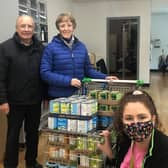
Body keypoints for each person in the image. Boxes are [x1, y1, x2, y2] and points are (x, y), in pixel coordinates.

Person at [0, 15, 44, 168]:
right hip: (14, 102)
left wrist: (44, 95)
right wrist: (3, 100)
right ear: (17, 28)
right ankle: (10, 164)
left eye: (29, 26)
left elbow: (43, 74)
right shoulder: (5, 48)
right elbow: (0, 77)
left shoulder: (40, 48)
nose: (26, 29)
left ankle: (31, 163)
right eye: (23, 26)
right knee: (13, 136)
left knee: (33, 134)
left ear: (34, 29)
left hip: (34, 100)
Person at [40, 13, 118, 99]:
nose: (66, 29)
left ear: (73, 27)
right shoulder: (50, 48)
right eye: (62, 26)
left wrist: (105, 77)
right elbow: (45, 73)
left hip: (79, 94)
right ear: (58, 28)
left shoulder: (81, 46)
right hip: (58, 96)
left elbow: (88, 70)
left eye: (69, 25)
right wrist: (69, 81)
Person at [98, 89, 168, 168]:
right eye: (129, 118)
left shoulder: (164, 150)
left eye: (142, 117)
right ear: (122, 120)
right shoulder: (123, 139)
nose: (136, 123)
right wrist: (110, 154)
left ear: (153, 119)